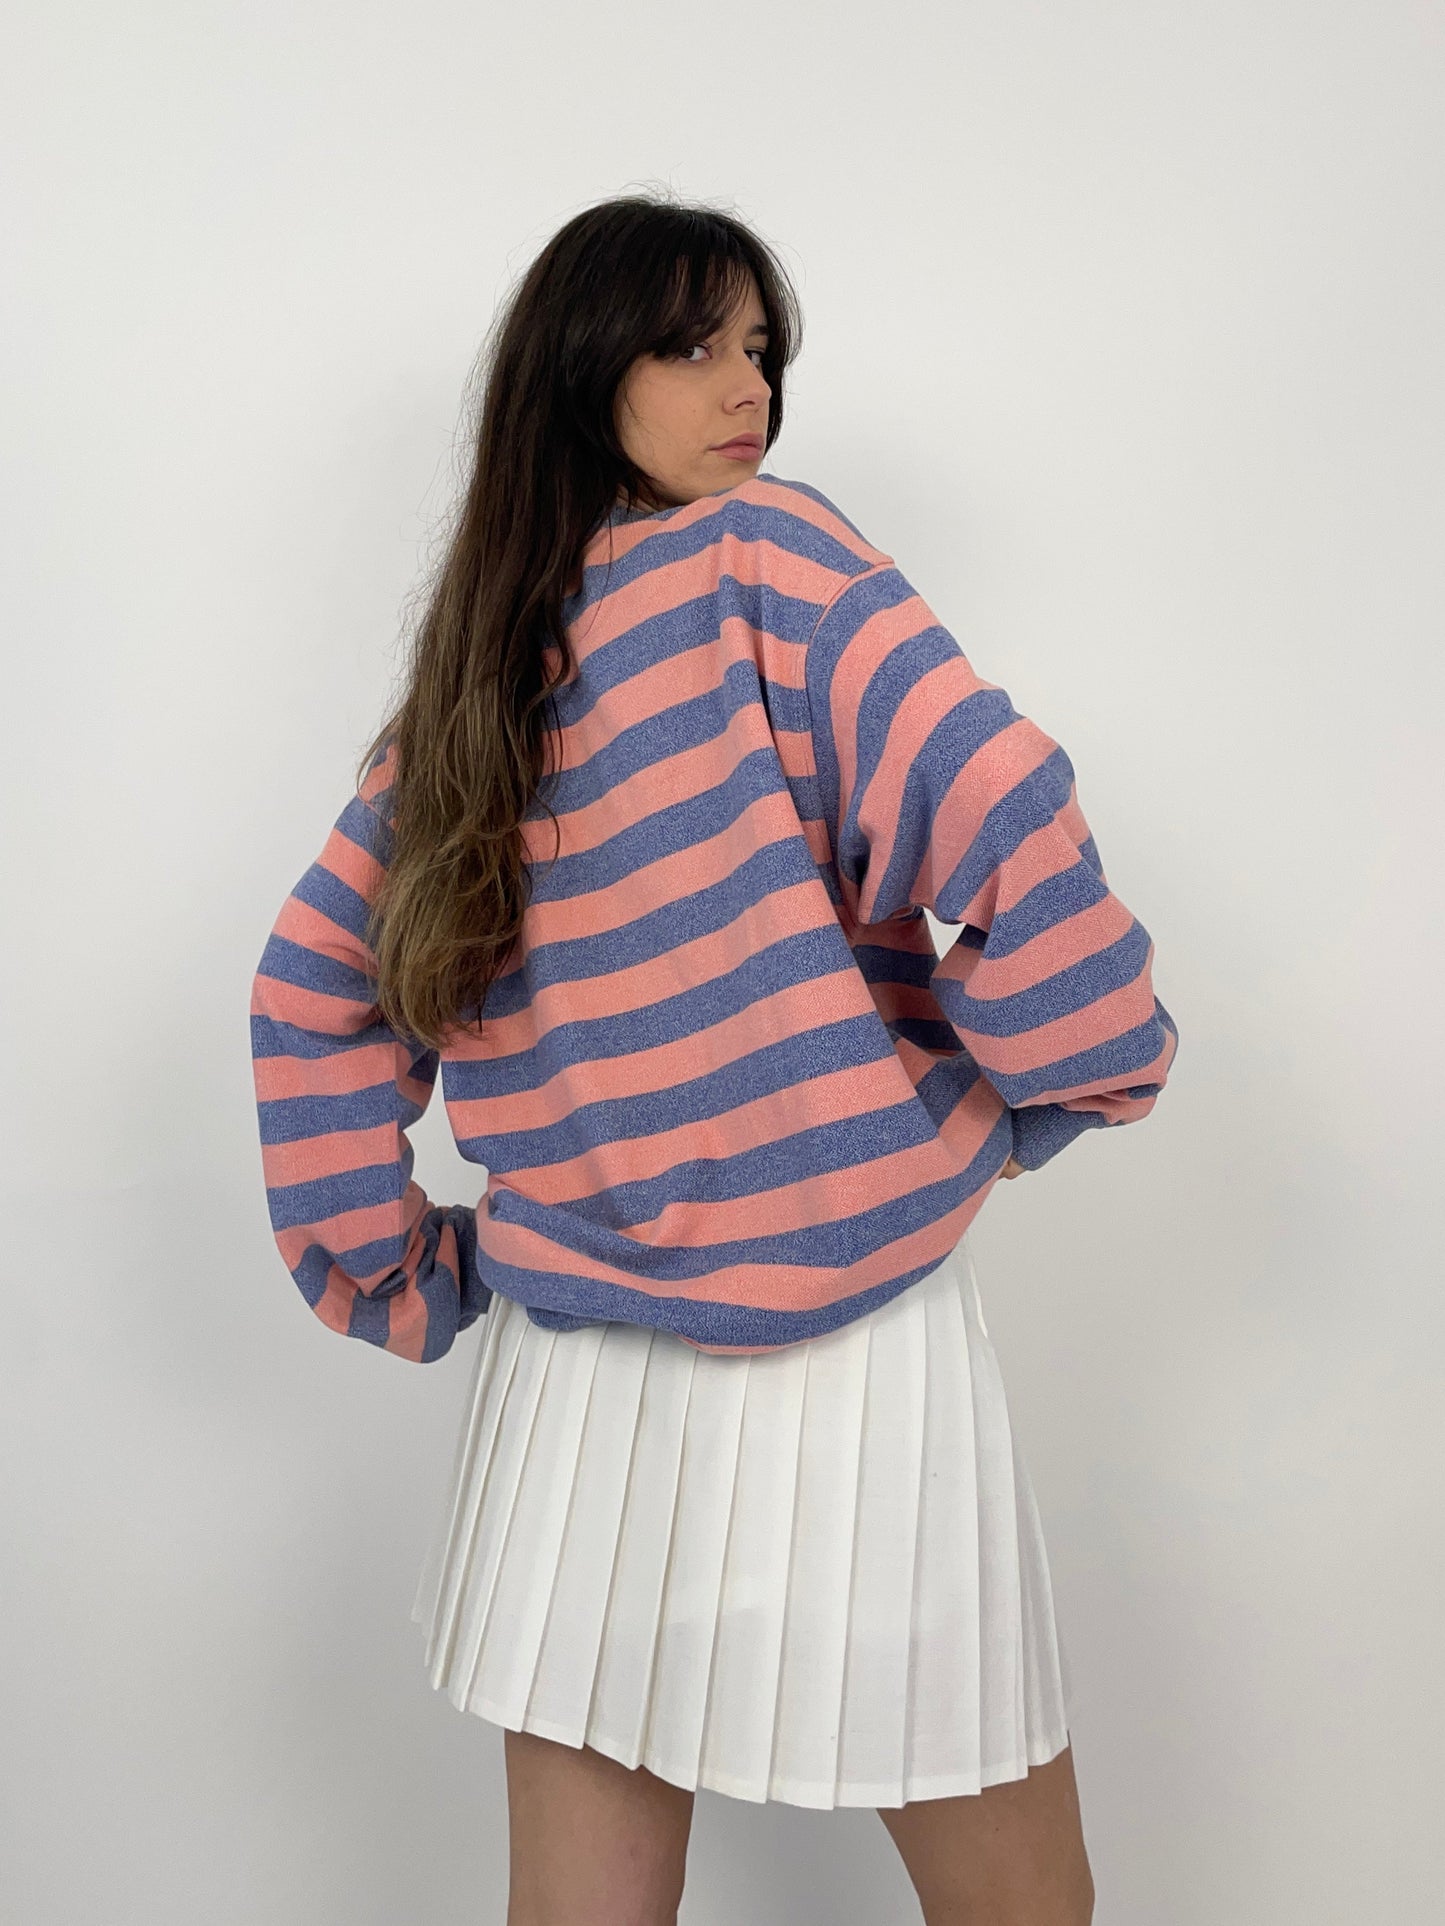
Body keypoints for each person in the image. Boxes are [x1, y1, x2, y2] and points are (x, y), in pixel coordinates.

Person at [250, 190, 1178, 1925]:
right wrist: (1072, 1070)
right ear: (581, 371)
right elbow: (996, 811)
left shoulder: (477, 678)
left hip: (571, 1385)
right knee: (1022, 1904)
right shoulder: (769, 558)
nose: (743, 386)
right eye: (689, 345)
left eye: (758, 349)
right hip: (850, 1345)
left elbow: (311, 990)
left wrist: (400, 1268)